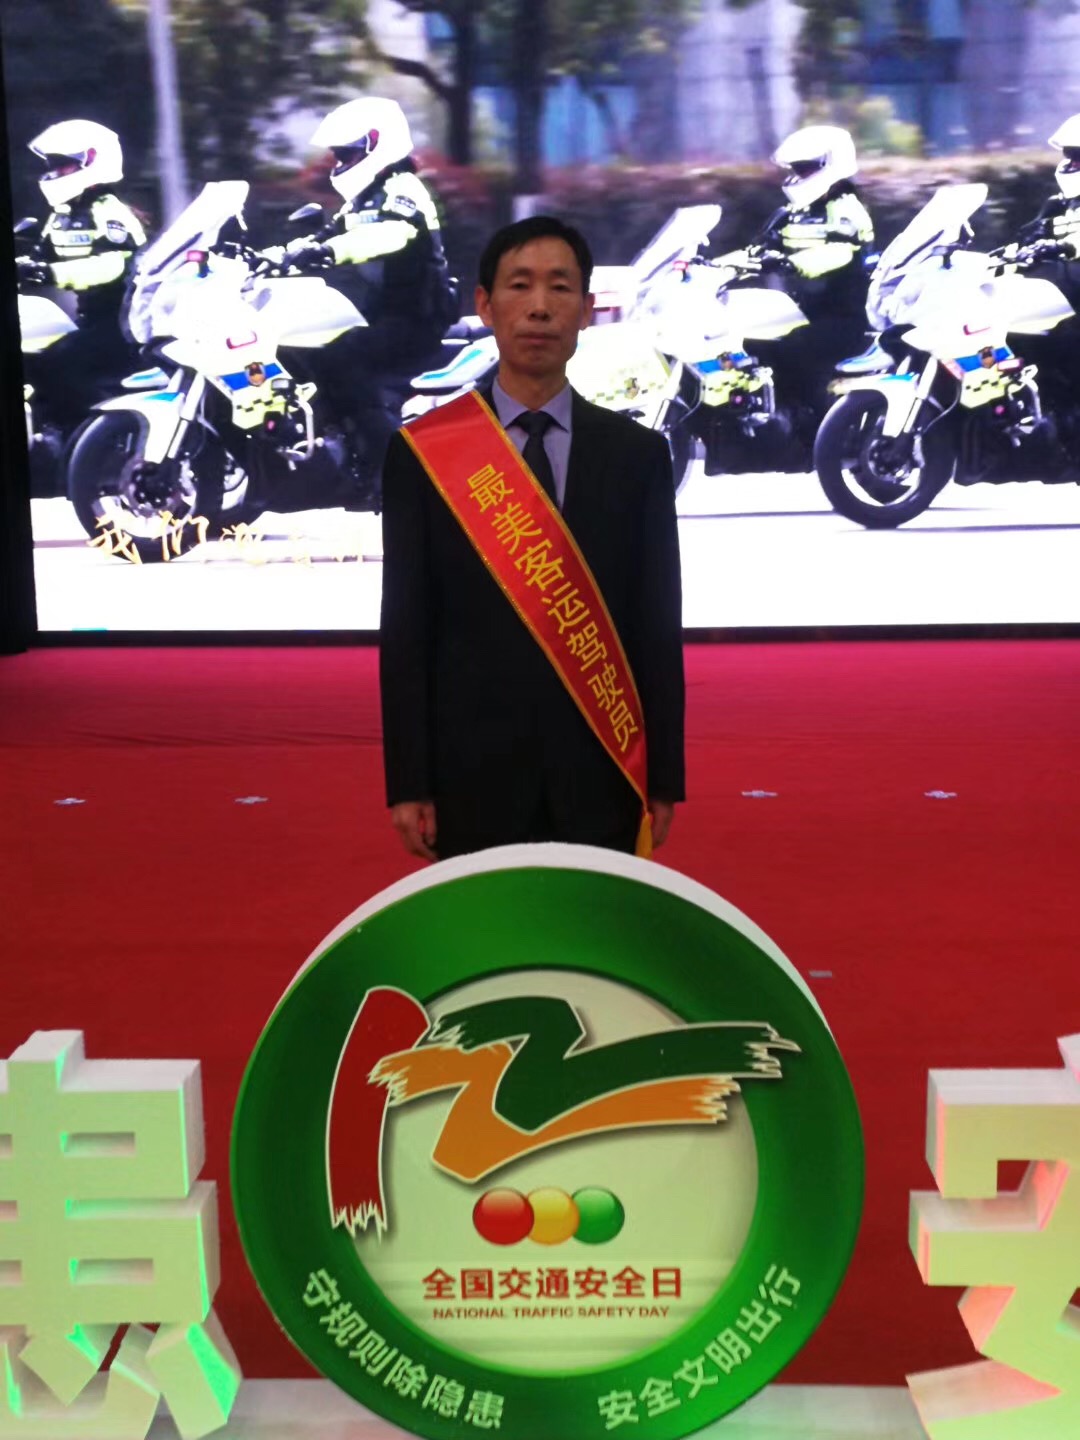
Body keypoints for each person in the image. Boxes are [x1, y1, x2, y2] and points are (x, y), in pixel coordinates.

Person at [379, 215, 685, 862]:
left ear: (587, 309)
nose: (540, 308)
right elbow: (407, 627)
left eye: (560, 288)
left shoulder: (638, 456)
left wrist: (663, 778)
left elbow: (656, 626)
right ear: (485, 305)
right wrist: (409, 782)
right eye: (519, 286)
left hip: (603, 768)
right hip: (469, 775)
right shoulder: (424, 453)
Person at [266, 97, 457, 493]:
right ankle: (337, 445)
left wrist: (329, 251)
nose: (339, 163)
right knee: (305, 347)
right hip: (379, 313)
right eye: (339, 155)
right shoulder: (363, 199)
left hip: (415, 315)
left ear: (376, 145)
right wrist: (270, 257)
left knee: (340, 356)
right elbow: (324, 235)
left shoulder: (403, 188)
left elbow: (389, 234)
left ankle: (393, 470)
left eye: (347, 154)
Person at [17, 119, 146, 428]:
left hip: (123, 322)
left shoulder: (110, 211)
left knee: (59, 362)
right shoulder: (62, 215)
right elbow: (41, 256)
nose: (54, 173)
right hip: (90, 318)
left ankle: (95, 433)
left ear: (92, 161)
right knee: (33, 357)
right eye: (52, 166)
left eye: (63, 165)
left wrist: (48, 273)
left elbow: (112, 266)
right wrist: (27, 265)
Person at [744, 125, 876, 409]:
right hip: (803, 311)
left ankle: (813, 421)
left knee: (794, 349)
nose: (798, 175)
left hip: (844, 316)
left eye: (805, 169)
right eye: (796, 169)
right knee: (750, 343)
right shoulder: (793, 212)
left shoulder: (846, 208)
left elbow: (839, 253)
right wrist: (710, 265)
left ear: (832, 165)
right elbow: (759, 247)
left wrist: (790, 263)